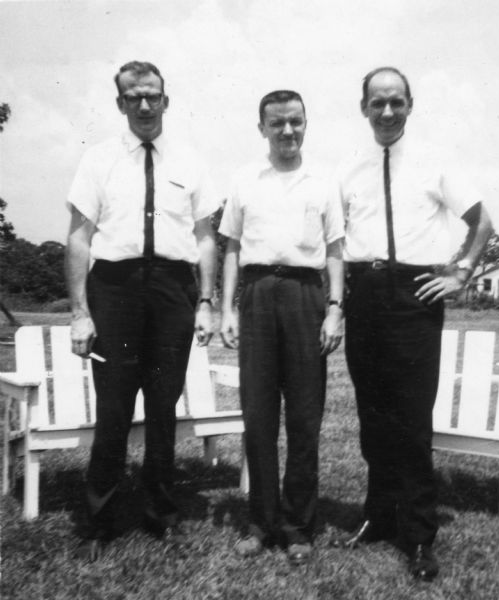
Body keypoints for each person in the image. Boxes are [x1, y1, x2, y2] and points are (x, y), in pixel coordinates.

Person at [336, 66, 493, 581]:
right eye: (377, 103)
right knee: (373, 416)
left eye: (396, 102)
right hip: (363, 295)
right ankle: (379, 518)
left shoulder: (434, 163)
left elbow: (481, 221)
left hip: (414, 297)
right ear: (363, 108)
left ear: (409, 106)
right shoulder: (349, 170)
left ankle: (420, 536)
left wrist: (462, 272)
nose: (386, 112)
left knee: (410, 418)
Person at [65, 61, 219, 560]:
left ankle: (161, 515)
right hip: (115, 289)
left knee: (162, 407)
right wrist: (79, 312)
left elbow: (204, 238)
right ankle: (98, 521)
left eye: (153, 95)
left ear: (166, 100)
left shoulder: (191, 161)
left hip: (174, 291)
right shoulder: (99, 160)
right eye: (134, 98)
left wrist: (206, 299)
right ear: (121, 104)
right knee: (113, 408)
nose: (145, 105)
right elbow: (79, 238)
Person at [219, 89, 344, 566]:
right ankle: (261, 523)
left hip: (305, 297)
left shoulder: (323, 181)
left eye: (295, 121)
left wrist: (334, 309)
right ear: (262, 129)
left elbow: (335, 251)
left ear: (306, 123)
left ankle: (297, 527)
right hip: (256, 296)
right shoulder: (244, 180)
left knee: (305, 418)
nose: (287, 131)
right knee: (258, 417)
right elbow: (230, 247)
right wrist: (229, 308)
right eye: (277, 124)